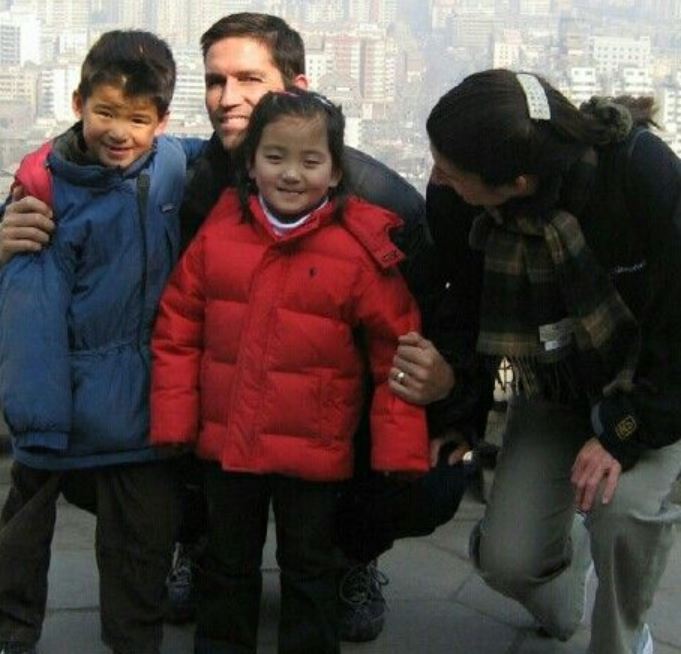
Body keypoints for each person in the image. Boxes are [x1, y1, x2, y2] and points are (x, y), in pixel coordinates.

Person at [0, 12, 468, 642]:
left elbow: (436, 318)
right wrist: (15, 217)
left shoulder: (379, 204)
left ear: (297, 87)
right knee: (118, 459)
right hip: (220, 418)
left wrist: (451, 395)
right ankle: (194, 545)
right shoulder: (190, 180)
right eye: (216, 81)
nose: (228, 98)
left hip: (331, 425)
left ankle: (351, 557)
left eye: (250, 79)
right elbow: (98, 153)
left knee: (428, 482)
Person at [150, 87, 430, 654]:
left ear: (335, 171)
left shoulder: (359, 249)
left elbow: (396, 349)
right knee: (224, 565)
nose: (292, 174)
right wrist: (175, 420)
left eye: (311, 160)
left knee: (311, 570)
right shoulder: (220, 234)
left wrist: (399, 450)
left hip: (316, 450)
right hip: (227, 444)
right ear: (250, 165)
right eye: (275, 157)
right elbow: (177, 327)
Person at [425, 68, 681, 654]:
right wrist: (459, 412)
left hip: (648, 379)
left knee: (622, 513)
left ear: (514, 182)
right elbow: (466, 306)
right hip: (558, 380)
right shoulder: (459, 205)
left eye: (454, 172)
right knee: (507, 562)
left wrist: (623, 431)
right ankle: (565, 588)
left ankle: (625, 638)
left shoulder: (637, 175)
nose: (438, 179)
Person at [0, 30, 204, 654]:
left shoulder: (173, 165)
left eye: (138, 119)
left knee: (140, 546)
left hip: (142, 401)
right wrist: (38, 417)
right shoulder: (45, 189)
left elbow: (240, 154)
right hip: (64, 393)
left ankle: (134, 642)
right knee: (19, 542)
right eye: (105, 113)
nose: (120, 132)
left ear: (162, 121)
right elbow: (31, 311)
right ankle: (12, 634)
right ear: (78, 102)